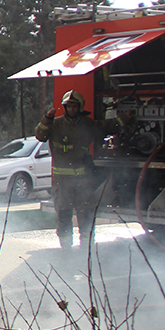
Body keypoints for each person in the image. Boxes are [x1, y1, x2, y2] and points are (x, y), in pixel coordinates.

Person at [35, 90, 128, 250]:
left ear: (80, 107)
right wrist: (47, 119)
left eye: (74, 106)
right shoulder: (55, 124)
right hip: (62, 183)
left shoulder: (87, 124)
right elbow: (40, 135)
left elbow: (105, 126)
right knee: (64, 215)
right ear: (65, 107)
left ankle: (87, 247)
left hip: (83, 182)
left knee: (86, 216)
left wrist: (123, 119)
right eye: (69, 106)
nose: (71, 109)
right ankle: (66, 248)